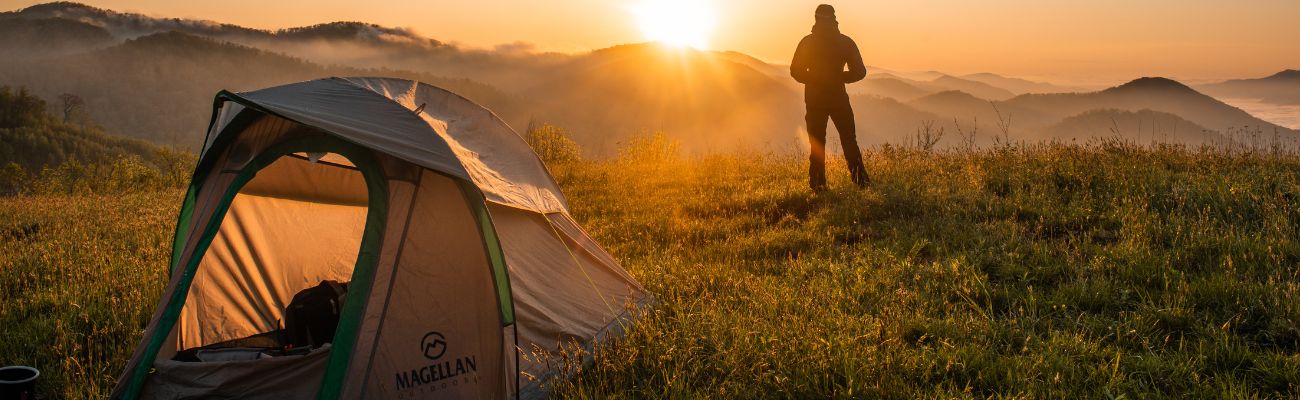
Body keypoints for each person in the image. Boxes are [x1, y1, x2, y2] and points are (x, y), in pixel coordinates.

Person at [790, 4, 869, 191]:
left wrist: (815, 78)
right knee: (849, 139)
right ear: (834, 18)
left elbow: (795, 71)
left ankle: (818, 185)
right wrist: (839, 77)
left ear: (816, 18)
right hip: (838, 98)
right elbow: (860, 72)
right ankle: (861, 182)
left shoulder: (807, 42)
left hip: (814, 99)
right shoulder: (845, 42)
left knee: (817, 142)